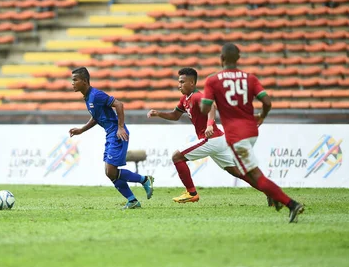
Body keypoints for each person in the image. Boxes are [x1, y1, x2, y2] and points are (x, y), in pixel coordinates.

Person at [200, 43, 305, 223]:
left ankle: (291, 204)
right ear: (238, 58)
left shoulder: (213, 80)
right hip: (251, 130)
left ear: (221, 58)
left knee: (253, 174)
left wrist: (211, 100)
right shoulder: (250, 78)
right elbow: (267, 102)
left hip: (236, 134)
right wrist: (262, 116)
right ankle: (273, 195)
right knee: (247, 173)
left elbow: (204, 109)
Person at [148, 67, 273, 204]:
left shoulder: (196, 96)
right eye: (179, 82)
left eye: (182, 82)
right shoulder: (185, 99)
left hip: (211, 139)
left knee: (177, 156)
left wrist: (209, 124)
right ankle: (270, 191)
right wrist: (159, 113)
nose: (179, 85)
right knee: (238, 172)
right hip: (219, 140)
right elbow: (175, 115)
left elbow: (211, 106)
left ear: (192, 83)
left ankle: (191, 193)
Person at [69, 67, 154, 209]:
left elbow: (119, 104)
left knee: (111, 170)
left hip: (117, 133)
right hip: (110, 134)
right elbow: (97, 117)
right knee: (110, 172)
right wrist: (82, 130)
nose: (72, 83)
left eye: (75, 80)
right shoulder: (88, 97)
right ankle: (132, 200)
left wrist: (120, 127)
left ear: (84, 81)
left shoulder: (96, 95)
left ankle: (145, 180)